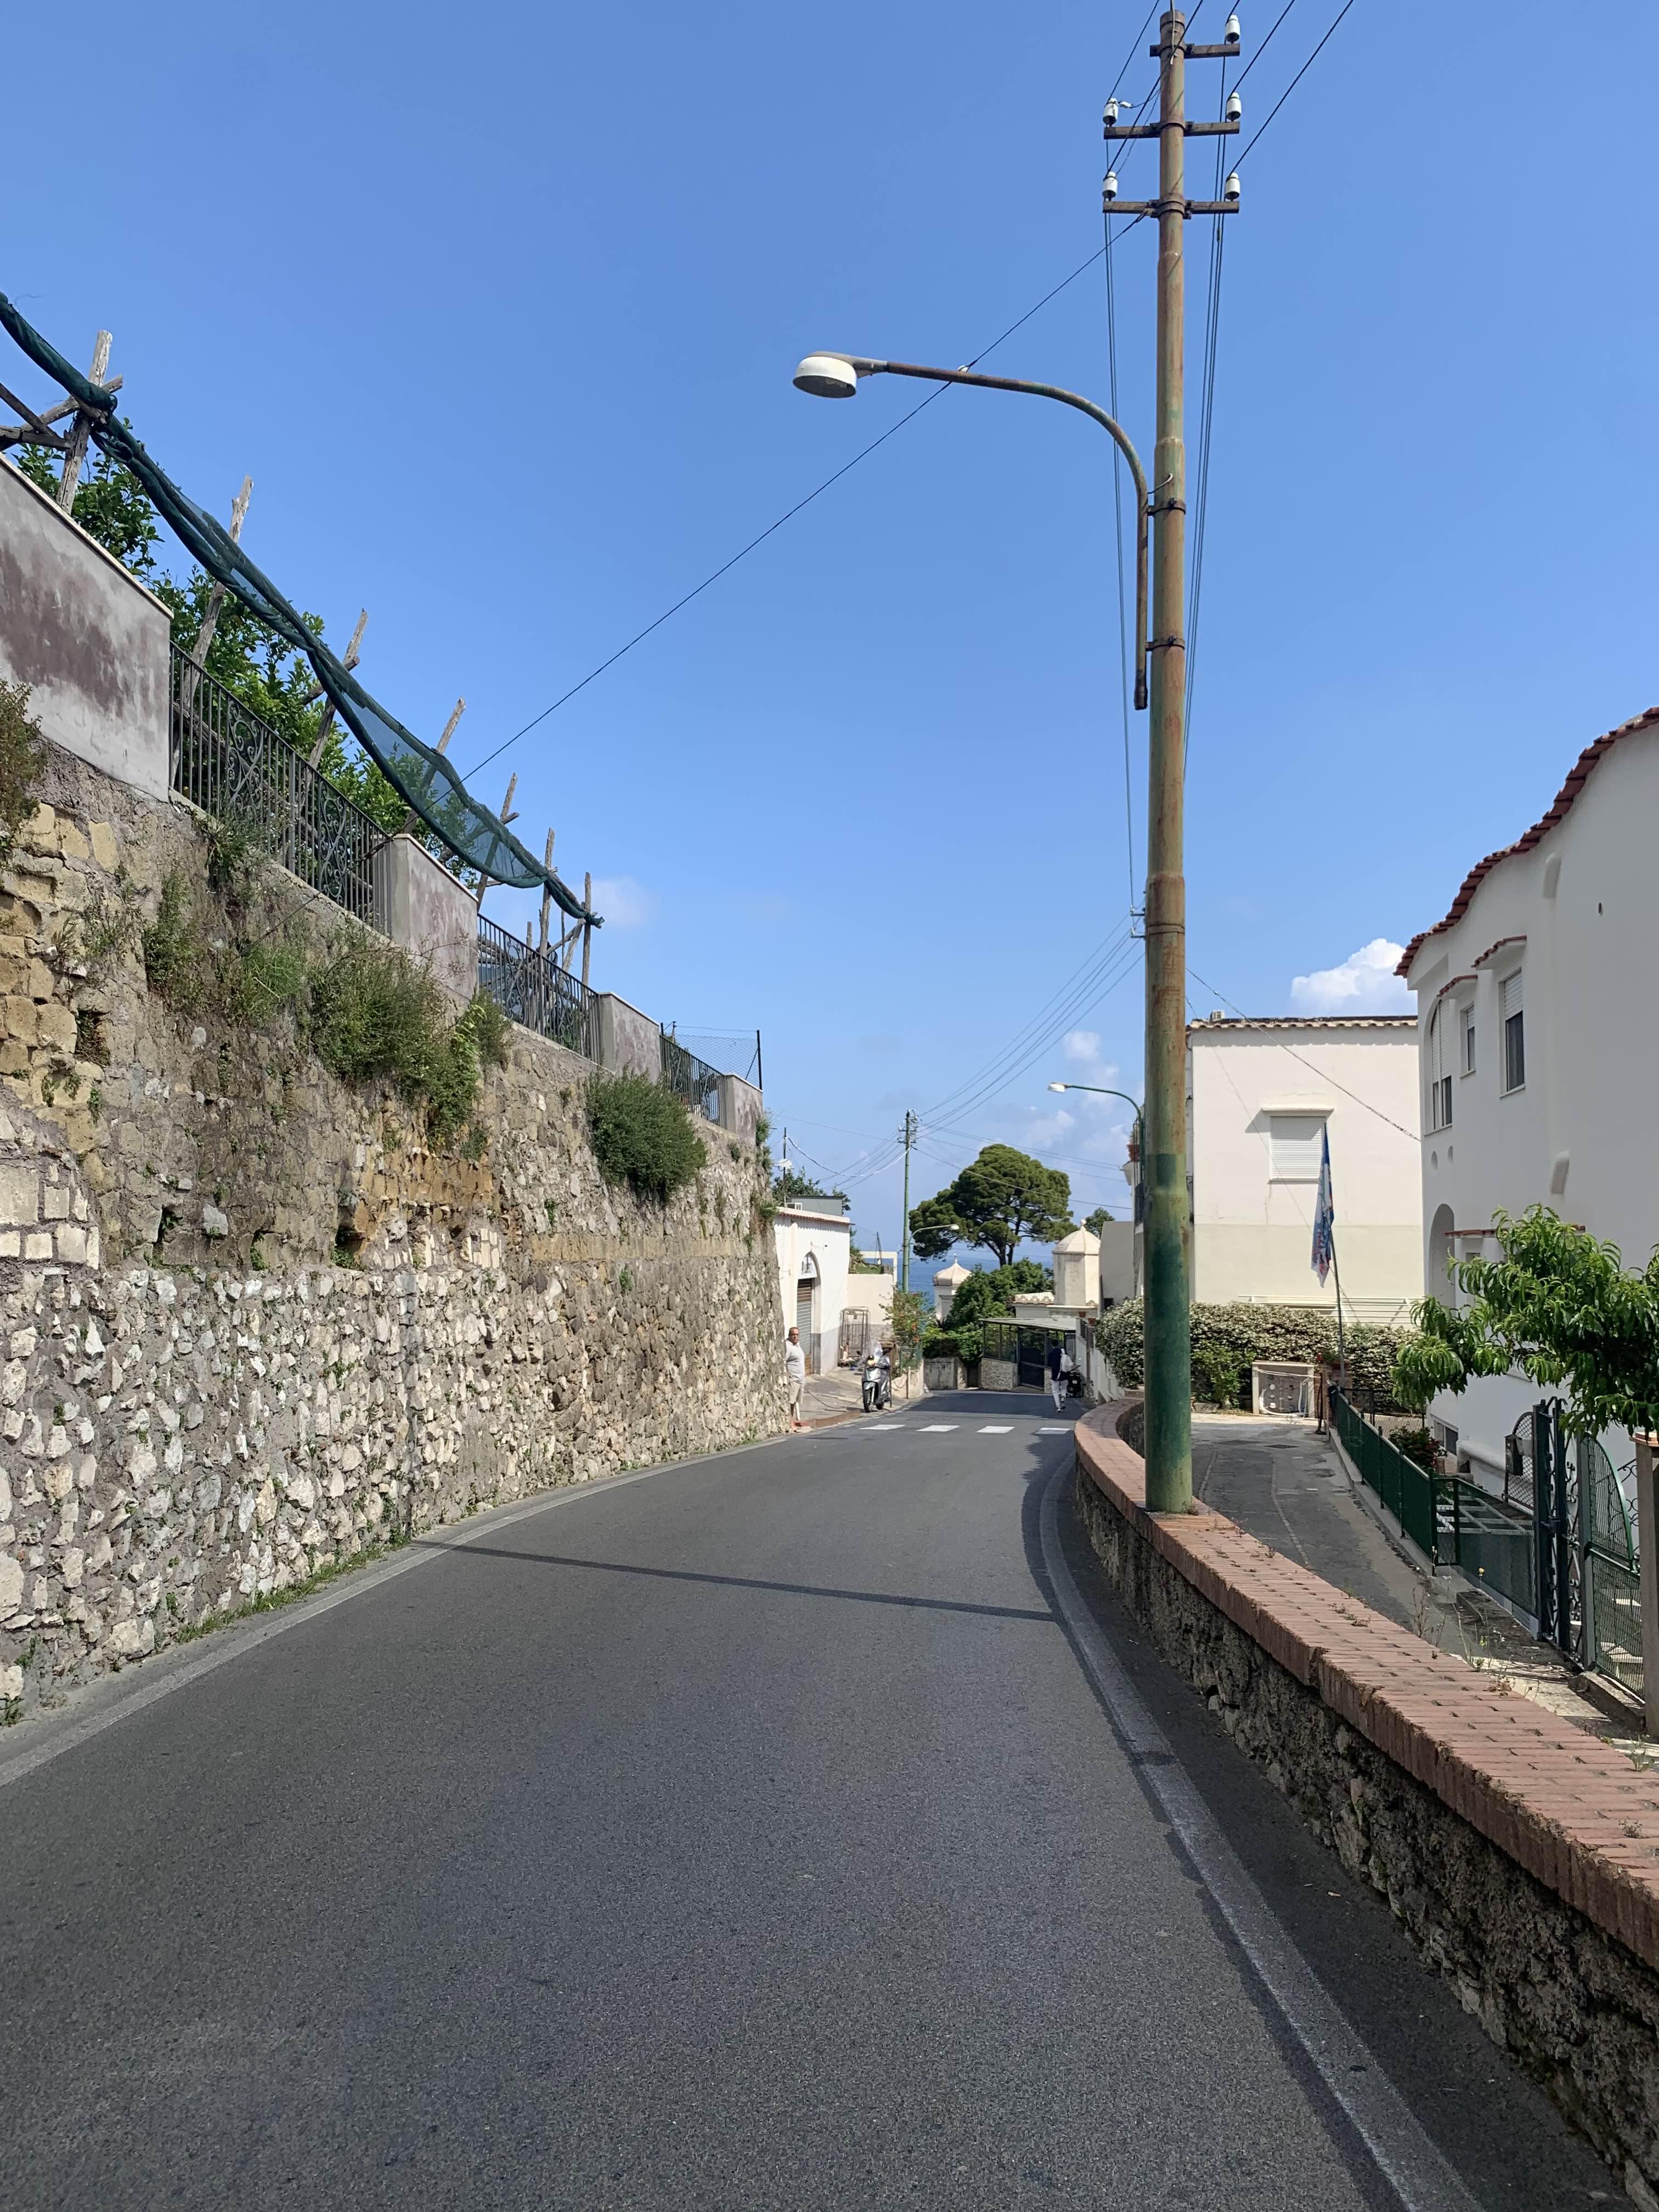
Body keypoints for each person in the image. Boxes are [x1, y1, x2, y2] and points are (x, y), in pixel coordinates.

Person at [785, 1325, 806, 1428]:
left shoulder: (797, 1345)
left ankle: (792, 1422)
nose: (795, 1337)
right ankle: (790, 1424)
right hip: (793, 1379)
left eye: (797, 1335)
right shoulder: (788, 1347)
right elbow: (784, 1361)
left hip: (800, 1379)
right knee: (791, 1402)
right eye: (793, 1335)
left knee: (795, 1403)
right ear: (789, 1336)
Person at [1046, 1338, 1067, 1414]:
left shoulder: (1051, 1354)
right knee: (1064, 1387)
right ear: (1058, 1344)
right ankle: (1063, 1397)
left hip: (1055, 1375)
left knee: (1055, 1391)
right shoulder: (1063, 1352)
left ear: (1052, 1345)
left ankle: (1058, 1407)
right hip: (1064, 1373)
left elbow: (1049, 1364)